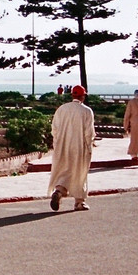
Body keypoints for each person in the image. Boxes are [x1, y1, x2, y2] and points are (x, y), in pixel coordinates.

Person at [48, 84, 96, 212]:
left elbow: (55, 129)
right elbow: (88, 132)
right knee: (79, 172)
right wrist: (89, 146)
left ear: (72, 95)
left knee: (65, 169)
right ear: (83, 96)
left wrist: (58, 143)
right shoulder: (86, 111)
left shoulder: (62, 109)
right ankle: (79, 202)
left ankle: (59, 191)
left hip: (63, 145)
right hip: (79, 146)